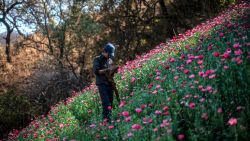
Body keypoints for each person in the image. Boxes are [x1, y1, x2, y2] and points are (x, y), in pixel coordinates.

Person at [93, 43, 118, 122]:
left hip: (109, 84)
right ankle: (106, 122)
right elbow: (96, 71)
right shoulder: (97, 59)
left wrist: (113, 70)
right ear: (105, 52)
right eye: (109, 54)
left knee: (110, 104)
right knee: (106, 104)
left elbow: (110, 73)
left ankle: (110, 121)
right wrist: (107, 70)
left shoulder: (109, 60)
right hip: (102, 85)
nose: (110, 56)